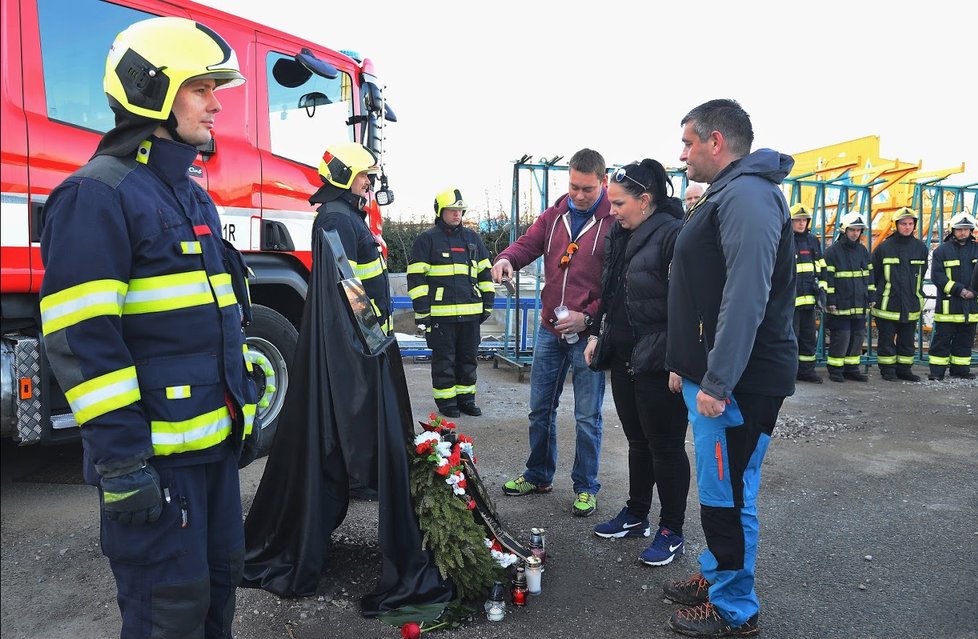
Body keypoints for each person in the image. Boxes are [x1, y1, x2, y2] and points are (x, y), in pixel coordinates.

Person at [38, 17, 259, 638]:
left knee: (217, 601)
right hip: (158, 468)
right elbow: (81, 343)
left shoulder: (190, 195)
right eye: (201, 88)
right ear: (151, 90)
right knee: (169, 617)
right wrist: (123, 464)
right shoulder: (97, 197)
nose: (217, 105)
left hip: (211, 459)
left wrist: (236, 416)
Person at [664, 99, 797, 637]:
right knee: (722, 489)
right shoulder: (731, 191)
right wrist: (686, 364)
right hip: (719, 375)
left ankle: (734, 608)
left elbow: (745, 296)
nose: (682, 154)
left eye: (688, 142)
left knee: (729, 492)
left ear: (715, 142)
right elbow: (705, 291)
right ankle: (719, 572)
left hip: (740, 382)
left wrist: (716, 381)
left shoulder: (747, 195)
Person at [491, 148, 612, 517]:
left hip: (587, 335)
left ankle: (586, 487)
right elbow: (528, 243)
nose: (578, 195)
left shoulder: (614, 221)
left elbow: (617, 283)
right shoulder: (555, 213)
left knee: (587, 416)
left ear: (603, 183)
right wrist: (506, 258)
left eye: (587, 189)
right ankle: (539, 474)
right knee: (540, 409)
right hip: (550, 330)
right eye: (574, 186)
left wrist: (588, 319)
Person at [583, 159, 690, 566]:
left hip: (661, 358)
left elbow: (687, 303)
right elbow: (608, 290)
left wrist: (682, 360)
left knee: (665, 446)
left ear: (645, 200)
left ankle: (671, 529)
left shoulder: (673, 234)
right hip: (625, 353)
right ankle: (636, 514)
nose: (612, 211)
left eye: (619, 203)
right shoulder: (619, 233)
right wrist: (597, 332)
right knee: (637, 441)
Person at [407, 188, 495, 417]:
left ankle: (467, 400)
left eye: (460, 210)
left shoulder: (472, 239)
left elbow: (485, 272)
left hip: (470, 314)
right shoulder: (426, 240)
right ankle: (447, 404)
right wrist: (422, 312)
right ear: (440, 211)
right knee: (444, 361)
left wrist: (488, 303)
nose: (457, 215)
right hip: (440, 316)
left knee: (468, 360)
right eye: (452, 210)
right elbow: (416, 278)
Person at [309, 142, 392, 335]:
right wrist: (371, 337)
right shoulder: (338, 219)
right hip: (365, 336)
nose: (368, 182)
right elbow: (345, 288)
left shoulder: (346, 215)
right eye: (363, 174)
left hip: (368, 334)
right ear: (344, 175)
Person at [870, 207, 929, 382]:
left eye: (910, 224)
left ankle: (905, 370)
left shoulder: (920, 248)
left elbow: (921, 273)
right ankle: (887, 370)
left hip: (910, 303)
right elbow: (875, 274)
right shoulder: (884, 248)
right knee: (886, 340)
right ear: (896, 225)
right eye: (903, 224)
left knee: (907, 340)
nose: (907, 227)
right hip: (887, 304)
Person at [822, 212, 875, 383]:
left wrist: (871, 296)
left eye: (859, 230)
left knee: (857, 337)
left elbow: (870, 276)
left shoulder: (862, 251)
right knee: (841, 338)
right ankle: (836, 370)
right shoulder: (832, 252)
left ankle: (852, 369)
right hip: (840, 304)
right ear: (844, 230)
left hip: (859, 302)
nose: (855, 233)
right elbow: (827, 279)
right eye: (852, 229)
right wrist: (829, 301)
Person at [927, 211, 978, 380]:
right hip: (949, 306)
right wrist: (960, 290)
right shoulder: (942, 251)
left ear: (971, 230)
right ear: (952, 230)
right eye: (959, 229)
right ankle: (936, 372)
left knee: (965, 341)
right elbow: (938, 277)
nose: (963, 232)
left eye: (966, 229)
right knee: (942, 341)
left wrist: (974, 291)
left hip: (970, 306)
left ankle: (960, 370)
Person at [790, 203, 826, 383]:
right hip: (791, 301)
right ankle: (790, 372)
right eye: (798, 220)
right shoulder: (785, 239)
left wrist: (822, 290)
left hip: (809, 300)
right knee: (791, 338)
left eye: (804, 220)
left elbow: (820, 266)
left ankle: (807, 371)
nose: (801, 223)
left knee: (808, 337)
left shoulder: (813, 241)